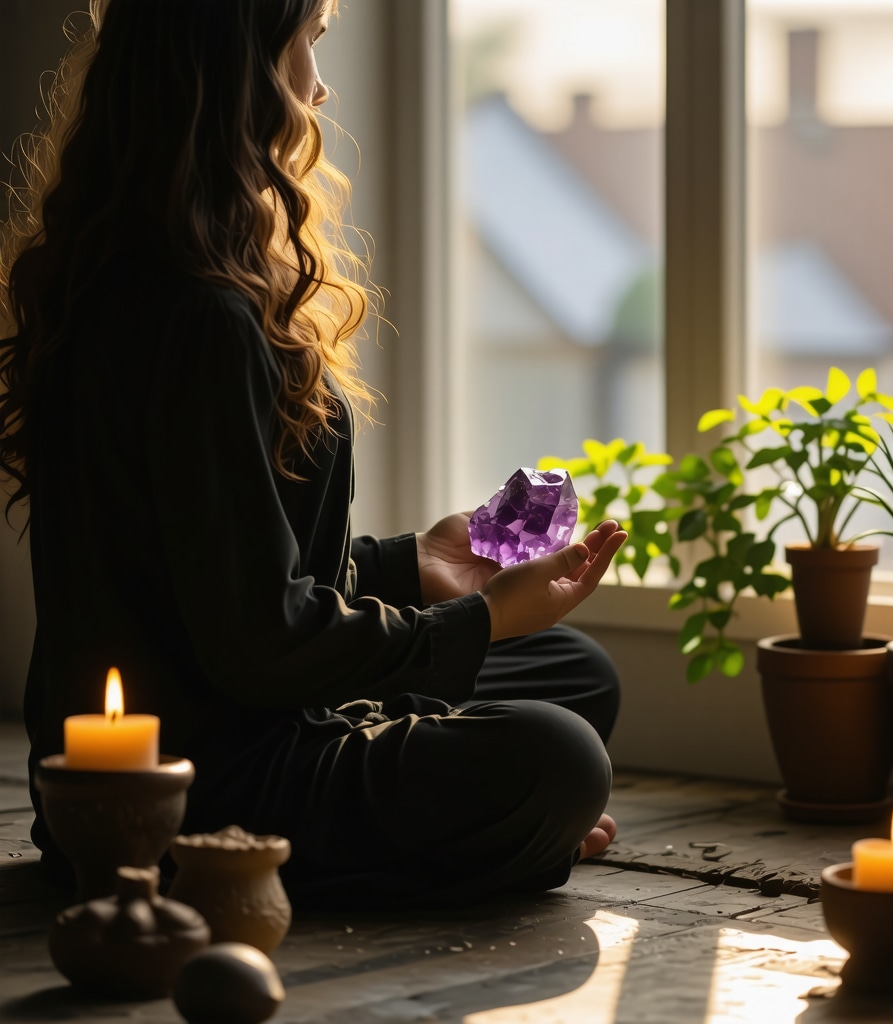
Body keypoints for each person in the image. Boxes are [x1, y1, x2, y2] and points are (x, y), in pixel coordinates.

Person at [0, 0, 627, 908]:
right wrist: (481, 624)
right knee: (559, 756)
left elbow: (219, 569)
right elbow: (259, 641)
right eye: (309, 44)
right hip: (197, 783)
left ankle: (489, 829)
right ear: (241, 67)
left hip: (229, 717)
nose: (319, 82)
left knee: (577, 672)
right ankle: (463, 838)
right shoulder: (197, 318)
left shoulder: (144, 276)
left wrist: (418, 564)